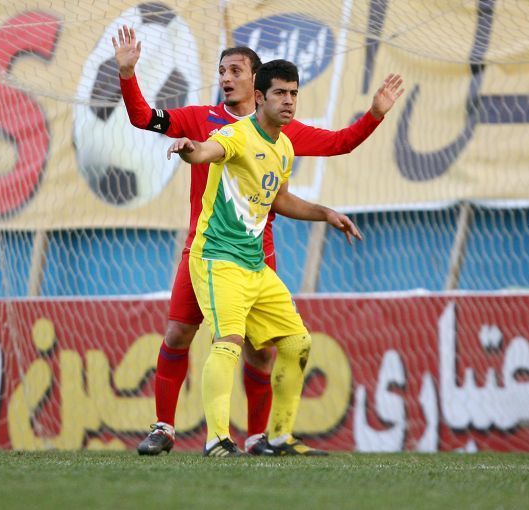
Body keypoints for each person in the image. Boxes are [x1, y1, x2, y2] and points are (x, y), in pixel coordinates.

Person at [112, 25, 403, 455]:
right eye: (221, 71)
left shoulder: (282, 131)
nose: (226, 78)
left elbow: (340, 144)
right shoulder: (204, 120)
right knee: (177, 334)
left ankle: (259, 438)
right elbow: (144, 118)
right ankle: (165, 428)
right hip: (207, 248)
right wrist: (127, 75)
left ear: (256, 81)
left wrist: (374, 114)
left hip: (257, 254)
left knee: (263, 352)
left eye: (235, 71)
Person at [168, 58, 362, 456]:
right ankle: (217, 440)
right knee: (229, 342)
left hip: (253, 265)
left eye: (293, 94)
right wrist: (190, 150)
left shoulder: (284, 146)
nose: (288, 101)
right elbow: (207, 151)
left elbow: (280, 199)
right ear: (259, 97)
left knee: (296, 342)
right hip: (218, 258)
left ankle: (278, 437)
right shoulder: (236, 134)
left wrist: (325, 213)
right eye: (280, 93)